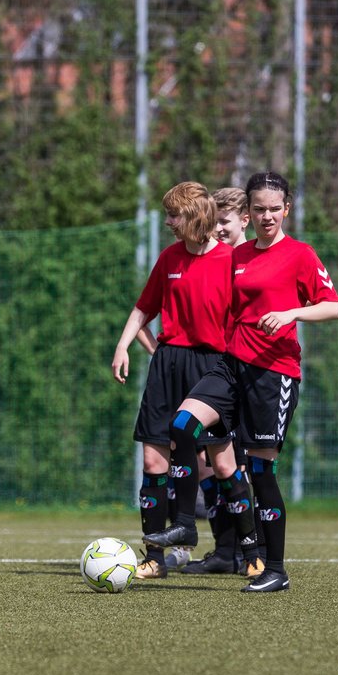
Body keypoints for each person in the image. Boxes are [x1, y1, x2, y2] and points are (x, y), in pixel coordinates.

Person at [143, 170, 338, 593]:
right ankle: (184, 526)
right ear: (248, 213)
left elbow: (333, 307)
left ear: (286, 209)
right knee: (182, 425)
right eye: (259, 209)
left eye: (275, 208)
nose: (267, 216)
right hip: (231, 366)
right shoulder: (238, 256)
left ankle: (274, 569)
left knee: (260, 469)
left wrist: (292, 314)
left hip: (274, 373)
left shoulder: (300, 255)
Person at [111, 182, 238, 579]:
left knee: (220, 463)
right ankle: (155, 558)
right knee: (152, 459)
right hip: (167, 365)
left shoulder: (231, 261)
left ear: (195, 215)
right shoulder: (169, 258)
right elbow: (143, 309)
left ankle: (243, 550)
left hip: (213, 368)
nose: (168, 221)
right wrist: (122, 346)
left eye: (173, 214)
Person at [182, 186, 266, 578]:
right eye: (212, 223)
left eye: (224, 223)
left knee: (241, 464)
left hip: (245, 372)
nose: (216, 230)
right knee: (211, 463)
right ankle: (227, 549)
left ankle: (255, 549)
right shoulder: (215, 259)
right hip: (214, 370)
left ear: (244, 220)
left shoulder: (251, 262)